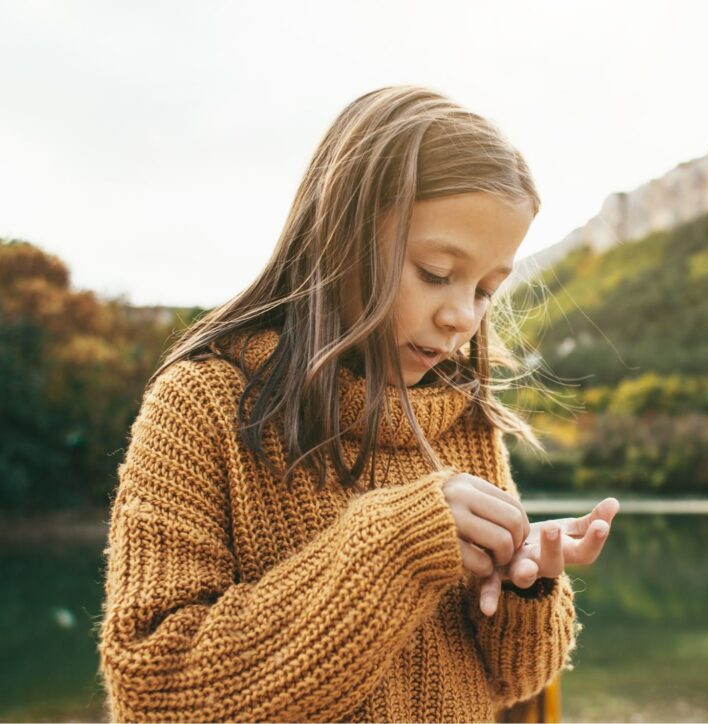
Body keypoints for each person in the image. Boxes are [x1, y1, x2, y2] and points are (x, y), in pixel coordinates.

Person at [97, 85, 619, 723]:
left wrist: (524, 587)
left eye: (486, 289)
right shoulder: (201, 405)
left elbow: (514, 682)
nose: (462, 316)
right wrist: (396, 547)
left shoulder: (463, 419)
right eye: (434, 272)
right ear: (339, 233)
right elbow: (157, 695)